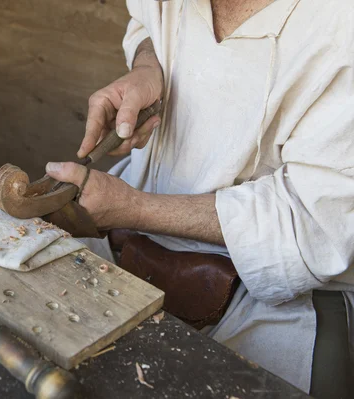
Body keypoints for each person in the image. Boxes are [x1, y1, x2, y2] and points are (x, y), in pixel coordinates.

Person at [44, 0, 354, 397]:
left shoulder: (340, 29)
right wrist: (147, 67)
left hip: (266, 287)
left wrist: (135, 208)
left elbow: (311, 224)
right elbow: (147, 24)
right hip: (129, 229)